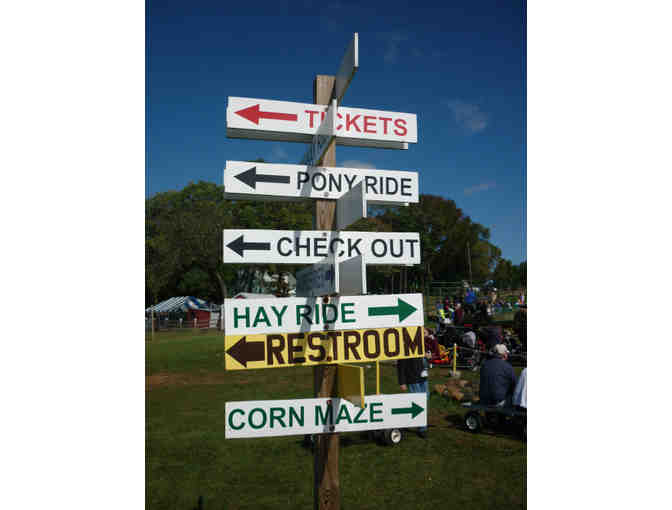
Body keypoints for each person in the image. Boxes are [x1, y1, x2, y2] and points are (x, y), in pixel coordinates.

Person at [397, 336, 431, 439]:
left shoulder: (421, 346)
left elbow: (426, 361)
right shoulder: (405, 349)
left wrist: (427, 357)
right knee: (418, 403)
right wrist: (402, 382)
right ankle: (422, 428)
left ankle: (417, 422)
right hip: (413, 379)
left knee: (425, 400)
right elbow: (400, 366)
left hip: (423, 378)